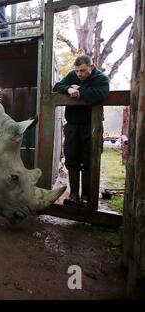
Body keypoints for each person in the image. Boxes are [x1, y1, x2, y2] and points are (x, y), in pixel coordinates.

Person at [53, 55, 110, 207]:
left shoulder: (101, 78)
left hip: (91, 126)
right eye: (77, 71)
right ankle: (73, 195)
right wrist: (69, 88)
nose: (80, 74)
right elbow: (57, 87)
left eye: (83, 71)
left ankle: (86, 196)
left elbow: (100, 94)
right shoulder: (73, 76)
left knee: (89, 160)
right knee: (71, 160)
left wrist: (81, 91)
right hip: (72, 126)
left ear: (91, 67)